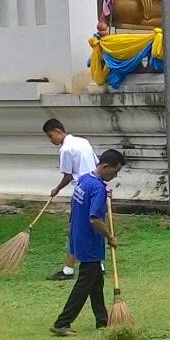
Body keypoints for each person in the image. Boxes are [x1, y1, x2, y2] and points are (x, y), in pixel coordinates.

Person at [51, 149, 125, 336]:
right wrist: (110, 237)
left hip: (78, 236)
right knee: (84, 283)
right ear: (105, 166)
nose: (115, 176)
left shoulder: (84, 180)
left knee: (96, 281)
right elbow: (95, 219)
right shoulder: (98, 188)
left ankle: (102, 320)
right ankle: (62, 322)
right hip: (90, 242)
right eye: (114, 172)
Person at [43, 118, 97, 281]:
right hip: (95, 187)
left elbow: (68, 176)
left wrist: (57, 189)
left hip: (82, 191)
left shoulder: (65, 150)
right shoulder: (83, 142)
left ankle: (68, 269)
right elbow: (97, 164)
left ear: (59, 132)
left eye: (51, 136)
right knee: (94, 226)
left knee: (76, 229)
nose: (51, 140)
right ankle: (98, 265)